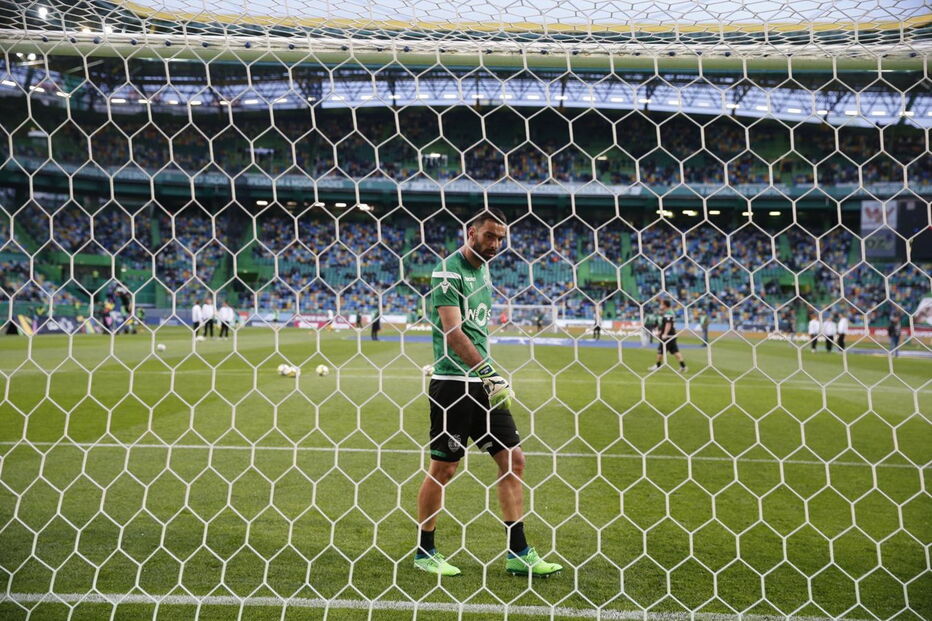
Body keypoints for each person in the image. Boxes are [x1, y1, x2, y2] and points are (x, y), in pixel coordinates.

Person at [415, 208, 562, 578]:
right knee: (444, 468)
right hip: (454, 384)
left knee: (513, 461)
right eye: (489, 236)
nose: (495, 245)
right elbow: (453, 333)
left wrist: (487, 376)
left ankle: (519, 553)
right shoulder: (449, 271)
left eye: (500, 239)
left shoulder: (485, 270)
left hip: (483, 384)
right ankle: (424, 551)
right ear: (471, 232)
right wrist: (486, 371)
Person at [649, 300, 687, 373]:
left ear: (665, 305)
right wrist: (660, 332)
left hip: (668, 336)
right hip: (671, 335)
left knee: (660, 351)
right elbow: (666, 324)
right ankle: (683, 366)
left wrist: (665, 334)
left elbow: (668, 324)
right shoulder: (668, 312)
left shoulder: (669, 313)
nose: (660, 305)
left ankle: (657, 366)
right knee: (675, 352)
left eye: (661, 304)